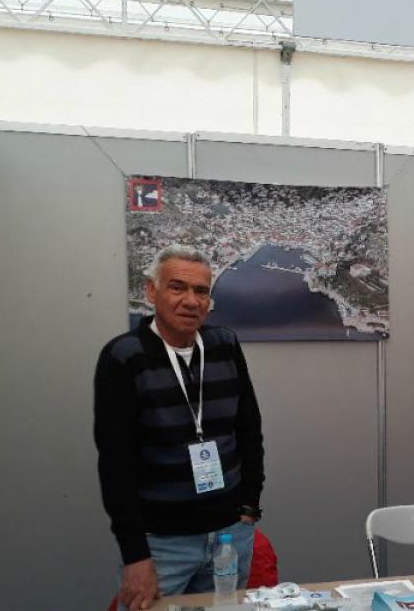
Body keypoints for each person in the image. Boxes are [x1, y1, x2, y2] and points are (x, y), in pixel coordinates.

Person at [94, 245, 264, 611]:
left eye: (201, 291)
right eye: (177, 287)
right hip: (162, 543)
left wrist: (249, 507)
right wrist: (135, 554)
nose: (191, 301)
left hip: (229, 535)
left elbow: (249, 429)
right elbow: (115, 464)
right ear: (151, 291)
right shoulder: (124, 357)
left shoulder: (224, 344)